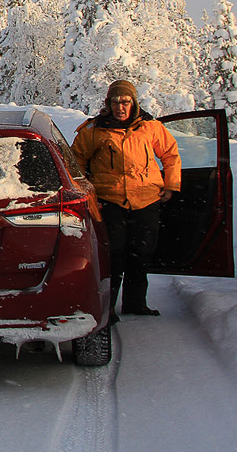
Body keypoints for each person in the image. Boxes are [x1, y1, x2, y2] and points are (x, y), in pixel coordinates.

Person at [71, 79, 181, 320]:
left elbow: (170, 154)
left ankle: (135, 303)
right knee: (114, 254)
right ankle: (106, 307)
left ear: (134, 103)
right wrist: (86, 195)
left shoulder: (150, 127)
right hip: (109, 201)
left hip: (147, 200)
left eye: (125, 102)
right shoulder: (93, 130)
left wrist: (171, 185)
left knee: (141, 253)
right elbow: (75, 163)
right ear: (108, 104)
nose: (120, 107)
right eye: (115, 102)